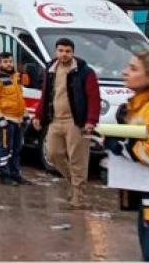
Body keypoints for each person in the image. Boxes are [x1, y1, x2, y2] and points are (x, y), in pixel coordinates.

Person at [33, 37, 100, 210]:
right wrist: (38, 115)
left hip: (76, 122)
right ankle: (75, 183)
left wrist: (91, 120)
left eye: (68, 51)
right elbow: (45, 95)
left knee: (78, 160)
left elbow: (94, 98)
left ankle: (78, 197)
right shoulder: (50, 69)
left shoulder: (84, 72)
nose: (64, 54)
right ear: (56, 51)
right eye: (61, 51)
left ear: (73, 52)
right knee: (53, 154)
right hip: (55, 120)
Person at [106, 51, 149, 260]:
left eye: (134, 69)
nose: (125, 72)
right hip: (147, 198)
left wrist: (124, 146)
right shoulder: (139, 106)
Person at [0, 52, 31, 186]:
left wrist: (25, 114)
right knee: (5, 148)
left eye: (10, 61)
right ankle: (3, 175)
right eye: (5, 62)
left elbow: (19, 98)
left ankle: (15, 174)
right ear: (0, 63)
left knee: (16, 149)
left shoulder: (15, 77)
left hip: (18, 119)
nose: (9, 64)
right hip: (6, 120)